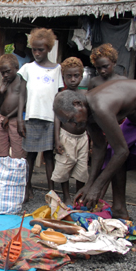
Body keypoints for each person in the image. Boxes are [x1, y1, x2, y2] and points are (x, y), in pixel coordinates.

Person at [53, 79, 136, 255]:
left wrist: (98, 186)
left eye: (71, 118)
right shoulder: (86, 114)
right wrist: (90, 185)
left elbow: (122, 152)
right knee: (111, 152)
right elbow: (100, 147)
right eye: (67, 121)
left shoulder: (100, 107)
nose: (72, 124)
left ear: (78, 103)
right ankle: (119, 210)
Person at [17, 28, 63, 202]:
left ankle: (51, 192)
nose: (37, 53)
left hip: (50, 119)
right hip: (31, 117)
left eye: (41, 50)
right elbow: (22, 94)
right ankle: (27, 188)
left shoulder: (57, 69)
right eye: (34, 49)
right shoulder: (27, 68)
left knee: (49, 156)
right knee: (30, 155)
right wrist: (20, 119)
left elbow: (58, 97)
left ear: (49, 49)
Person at [51, 57, 88, 205]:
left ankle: (78, 196)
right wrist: (57, 140)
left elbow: (88, 119)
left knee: (82, 169)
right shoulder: (60, 96)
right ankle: (66, 196)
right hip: (66, 136)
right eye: (69, 76)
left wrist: (90, 140)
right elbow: (57, 118)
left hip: (83, 137)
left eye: (76, 76)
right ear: (63, 77)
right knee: (64, 167)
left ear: (81, 75)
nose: (73, 79)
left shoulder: (85, 96)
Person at [0, 54, 26, 159]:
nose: (6, 75)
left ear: (16, 68)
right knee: (1, 151)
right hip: (2, 119)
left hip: (15, 119)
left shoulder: (21, 81)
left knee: (18, 152)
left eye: (8, 71)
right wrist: (1, 92)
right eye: (3, 73)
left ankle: (17, 173)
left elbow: (24, 102)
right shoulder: (5, 82)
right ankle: (4, 173)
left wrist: (9, 116)